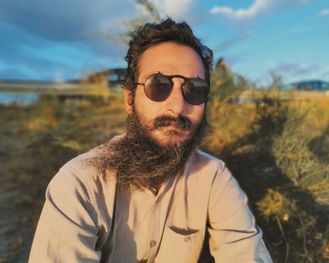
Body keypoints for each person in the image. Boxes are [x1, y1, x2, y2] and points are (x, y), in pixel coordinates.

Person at [29, 18, 272, 263]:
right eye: (159, 85)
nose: (178, 107)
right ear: (129, 99)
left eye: (195, 89)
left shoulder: (213, 178)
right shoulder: (80, 184)